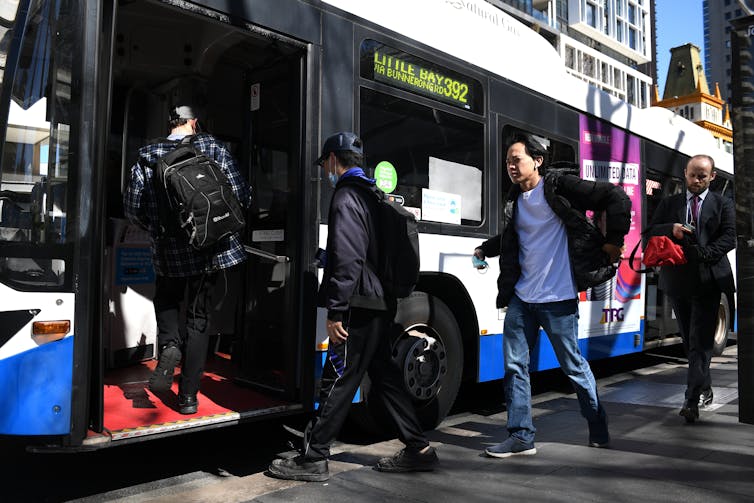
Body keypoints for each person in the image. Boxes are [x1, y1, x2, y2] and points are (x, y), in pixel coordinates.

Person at [267, 132, 438, 482]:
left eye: (325, 164)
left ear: (333, 160)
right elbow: (363, 253)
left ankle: (314, 457)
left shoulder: (346, 196)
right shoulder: (373, 193)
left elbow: (349, 258)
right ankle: (419, 449)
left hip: (358, 304)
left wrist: (336, 310)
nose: (326, 171)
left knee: (338, 377)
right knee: (387, 379)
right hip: (379, 301)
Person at [473, 134, 631, 458]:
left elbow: (616, 197)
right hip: (522, 297)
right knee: (515, 367)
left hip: (558, 298)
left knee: (573, 366)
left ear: (538, 160)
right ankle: (521, 436)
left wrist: (614, 240)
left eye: (516, 159)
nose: (511, 167)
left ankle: (597, 422)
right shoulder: (515, 199)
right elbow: (513, 236)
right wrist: (485, 249)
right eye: (508, 162)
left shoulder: (559, 187)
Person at [123, 105, 250, 414]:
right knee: (198, 319)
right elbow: (241, 194)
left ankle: (168, 344)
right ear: (194, 121)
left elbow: (133, 207)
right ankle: (188, 397)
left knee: (166, 299)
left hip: (169, 252)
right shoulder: (213, 147)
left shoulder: (146, 154)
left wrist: (158, 227)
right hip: (209, 250)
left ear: (171, 122)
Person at [646, 154, 735, 423]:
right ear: (685, 173)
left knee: (700, 341)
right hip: (677, 280)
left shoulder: (723, 204)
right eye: (692, 175)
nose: (696, 181)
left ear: (712, 177)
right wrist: (670, 228)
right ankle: (704, 386)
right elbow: (649, 232)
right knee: (689, 340)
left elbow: (730, 237)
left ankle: (691, 399)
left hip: (709, 281)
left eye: (702, 176)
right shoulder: (670, 202)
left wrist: (704, 253)